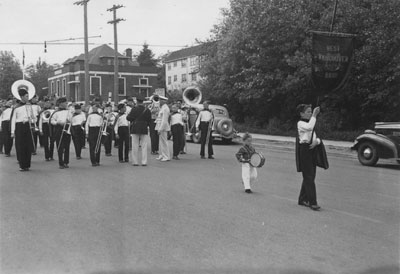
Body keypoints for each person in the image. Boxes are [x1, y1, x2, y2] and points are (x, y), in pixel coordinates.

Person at [296, 104, 321, 211]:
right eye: (308, 112)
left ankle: (302, 199)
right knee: (309, 177)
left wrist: (317, 142)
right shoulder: (301, 123)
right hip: (305, 150)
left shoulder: (311, 122)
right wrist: (315, 115)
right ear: (301, 114)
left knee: (310, 176)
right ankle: (312, 202)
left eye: (311, 111)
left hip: (312, 150)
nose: (310, 113)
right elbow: (309, 127)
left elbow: (315, 136)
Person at [10, 88, 36, 171]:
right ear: (21, 97)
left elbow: (33, 117)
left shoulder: (29, 106)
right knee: (21, 146)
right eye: (26, 96)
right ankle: (22, 165)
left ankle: (27, 164)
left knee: (28, 146)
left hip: (28, 126)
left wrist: (32, 120)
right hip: (20, 127)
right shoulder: (16, 107)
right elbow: (13, 120)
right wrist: (12, 132)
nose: (28, 98)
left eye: (28, 96)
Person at [127, 96, 151, 166]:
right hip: (144, 128)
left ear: (137, 102)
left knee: (135, 145)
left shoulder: (134, 109)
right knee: (144, 145)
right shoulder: (147, 110)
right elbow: (149, 120)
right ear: (142, 102)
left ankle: (135, 161)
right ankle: (144, 162)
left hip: (135, 127)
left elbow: (128, 118)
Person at [51, 97, 72, 169]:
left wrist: (69, 121)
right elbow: (52, 121)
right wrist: (58, 122)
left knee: (67, 146)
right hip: (59, 128)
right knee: (60, 146)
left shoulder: (68, 111)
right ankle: (61, 163)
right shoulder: (56, 112)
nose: (66, 104)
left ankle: (66, 162)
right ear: (60, 103)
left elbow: (71, 119)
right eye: (65, 102)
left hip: (67, 128)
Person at [155, 96, 170, 161]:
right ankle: (162, 155)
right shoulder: (162, 108)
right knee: (161, 142)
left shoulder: (165, 108)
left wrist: (160, 129)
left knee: (164, 142)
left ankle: (166, 156)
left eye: (161, 100)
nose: (159, 101)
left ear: (164, 101)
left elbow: (164, 120)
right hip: (159, 126)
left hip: (163, 127)